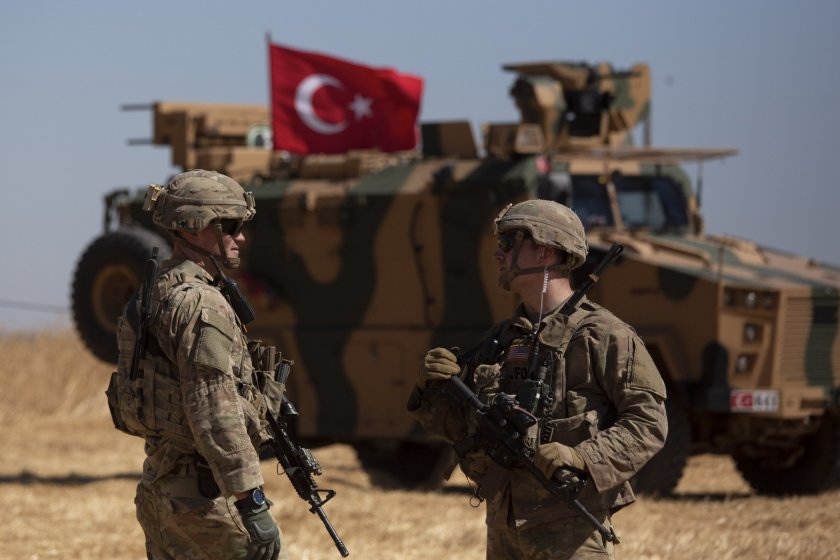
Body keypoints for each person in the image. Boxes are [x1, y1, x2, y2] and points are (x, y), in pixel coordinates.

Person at [407, 199, 668, 559]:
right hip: (504, 530)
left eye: (508, 242)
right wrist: (434, 388)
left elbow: (649, 422)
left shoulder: (603, 335)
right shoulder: (502, 339)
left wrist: (581, 457)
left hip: (570, 535)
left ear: (545, 250)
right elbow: (463, 431)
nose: (498, 254)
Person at [108, 170, 287, 560]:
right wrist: (252, 502)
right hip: (204, 501)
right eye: (230, 226)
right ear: (193, 226)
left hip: (159, 492)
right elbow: (213, 408)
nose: (241, 237)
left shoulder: (153, 292)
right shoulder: (202, 303)